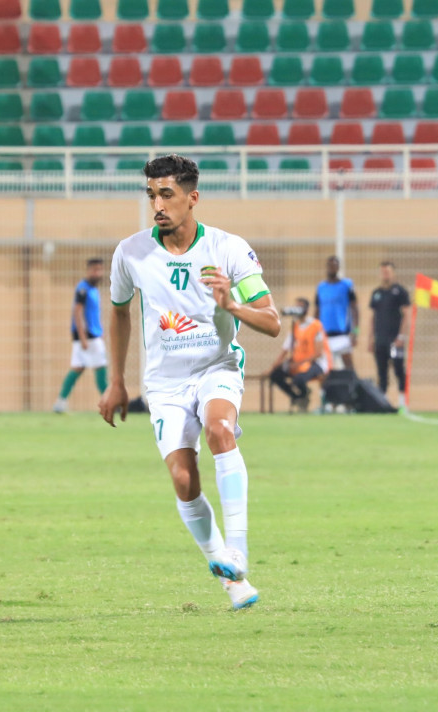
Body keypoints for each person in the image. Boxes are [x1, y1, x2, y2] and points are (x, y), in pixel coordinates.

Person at [98, 154, 280, 611]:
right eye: (151, 195)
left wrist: (233, 305)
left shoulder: (228, 248)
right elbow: (120, 312)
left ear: (192, 198)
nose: (157, 204)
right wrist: (116, 380)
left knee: (220, 431)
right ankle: (230, 578)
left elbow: (273, 322)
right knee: (183, 479)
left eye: (167, 194)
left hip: (217, 366)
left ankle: (237, 549)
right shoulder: (131, 252)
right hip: (164, 383)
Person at [53, 257, 108, 413]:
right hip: (87, 337)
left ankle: (60, 402)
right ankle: (108, 402)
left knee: (78, 368)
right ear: (89, 271)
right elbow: (77, 312)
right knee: (100, 368)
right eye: (95, 270)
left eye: (100, 270)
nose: (98, 273)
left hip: (93, 336)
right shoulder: (83, 289)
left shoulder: (94, 290)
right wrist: (83, 337)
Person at [268, 297, 331, 413]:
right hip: (299, 362)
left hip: (317, 363)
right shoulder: (295, 327)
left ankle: (304, 395)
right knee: (275, 375)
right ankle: (297, 397)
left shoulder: (315, 325)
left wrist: (299, 363)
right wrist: (273, 367)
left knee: (298, 379)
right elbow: (285, 349)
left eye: (300, 307)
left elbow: (318, 353)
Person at [368, 261, 410, 409]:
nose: (385, 274)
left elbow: (406, 315)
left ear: (393, 273)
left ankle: (402, 401)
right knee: (382, 370)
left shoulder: (400, 292)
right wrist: (371, 338)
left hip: (394, 341)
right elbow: (373, 317)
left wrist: (401, 336)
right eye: (383, 272)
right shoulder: (377, 293)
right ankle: (383, 402)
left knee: (398, 368)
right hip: (380, 340)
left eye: (388, 271)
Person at [315, 254, 358, 371]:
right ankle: (324, 390)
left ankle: (353, 388)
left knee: (348, 366)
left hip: (342, 334)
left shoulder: (347, 285)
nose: (332, 268)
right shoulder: (321, 287)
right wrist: (316, 333)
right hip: (325, 335)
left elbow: (354, 309)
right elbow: (317, 310)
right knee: (324, 368)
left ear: (338, 268)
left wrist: (355, 331)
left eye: (334, 266)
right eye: (330, 266)